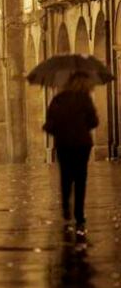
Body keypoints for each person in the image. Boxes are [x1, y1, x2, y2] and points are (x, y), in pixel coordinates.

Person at [43, 72, 98, 230]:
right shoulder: (84, 99)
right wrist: (83, 126)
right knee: (81, 177)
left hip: (63, 143)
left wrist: (60, 132)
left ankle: (66, 207)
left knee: (66, 176)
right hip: (82, 144)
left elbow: (50, 123)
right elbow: (94, 121)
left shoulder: (58, 99)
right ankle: (79, 213)